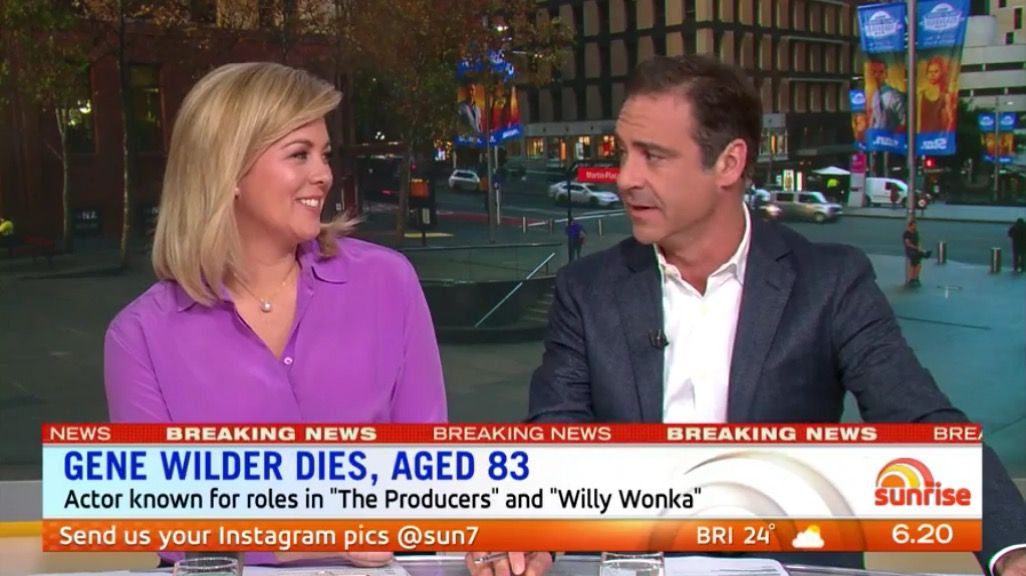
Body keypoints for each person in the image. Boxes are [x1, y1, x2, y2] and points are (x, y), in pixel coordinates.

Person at [467, 55, 1026, 576]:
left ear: (728, 163)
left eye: (653, 156)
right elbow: (559, 429)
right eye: (624, 153)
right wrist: (532, 524)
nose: (625, 177)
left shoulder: (829, 283)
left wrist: (1013, 551)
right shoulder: (588, 289)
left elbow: (920, 421)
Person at [104, 62, 447, 567]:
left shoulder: (387, 283)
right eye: (299, 154)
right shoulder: (139, 336)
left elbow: (432, 471)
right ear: (229, 170)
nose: (323, 175)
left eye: (325, 154)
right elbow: (164, 521)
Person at [867, 59, 906, 133]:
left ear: (886, 74)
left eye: (881, 72)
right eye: (874, 72)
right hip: (877, 136)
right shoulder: (875, 95)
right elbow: (875, 118)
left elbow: (904, 121)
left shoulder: (895, 96)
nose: (877, 76)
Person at [918, 56, 954, 134]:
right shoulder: (920, 95)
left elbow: (950, 119)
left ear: (941, 73)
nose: (932, 75)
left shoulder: (945, 96)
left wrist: (945, 135)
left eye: (936, 71)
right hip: (922, 137)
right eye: (930, 72)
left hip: (938, 137)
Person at [903, 219, 931, 288]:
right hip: (910, 250)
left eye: (915, 226)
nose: (914, 227)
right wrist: (917, 248)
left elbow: (918, 242)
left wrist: (920, 249)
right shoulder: (906, 234)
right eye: (913, 226)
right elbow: (908, 244)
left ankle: (915, 278)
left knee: (918, 263)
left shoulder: (916, 233)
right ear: (910, 226)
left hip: (916, 250)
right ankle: (912, 278)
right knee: (914, 263)